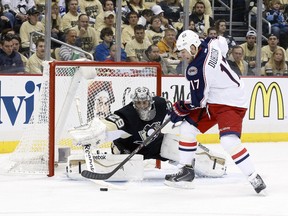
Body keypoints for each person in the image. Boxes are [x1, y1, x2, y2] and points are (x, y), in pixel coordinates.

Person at [164, 30, 266, 194]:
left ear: (192, 47)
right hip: (218, 96)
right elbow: (223, 42)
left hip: (231, 101)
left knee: (228, 141)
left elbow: (199, 102)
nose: (181, 56)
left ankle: (253, 176)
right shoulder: (210, 43)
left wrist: (182, 106)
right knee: (187, 128)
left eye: (183, 52)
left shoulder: (198, 70)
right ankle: (186, 171)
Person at [91, 86, 227, 177]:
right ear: (134, 103)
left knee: (180, 148)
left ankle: (214, 164)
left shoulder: (161, 104)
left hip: (155, 144)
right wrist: (92, 133)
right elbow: (108, 125)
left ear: (150, 101)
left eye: (144, 103)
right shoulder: (127, 114)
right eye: (138, 103)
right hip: (129, 149)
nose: (142, 106)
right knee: (129, 174)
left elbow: (176, 113)